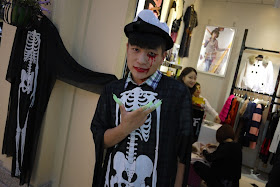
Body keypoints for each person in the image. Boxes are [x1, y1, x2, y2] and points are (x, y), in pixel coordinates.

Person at [90, 9, 193, 187]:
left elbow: (182, 154)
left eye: (151, 54)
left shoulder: (177, 93)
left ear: (163, 57)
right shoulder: (112, 90)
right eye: (136, 50)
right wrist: (125, 128)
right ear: (127, 48)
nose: (141, 60)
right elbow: (100, 140)